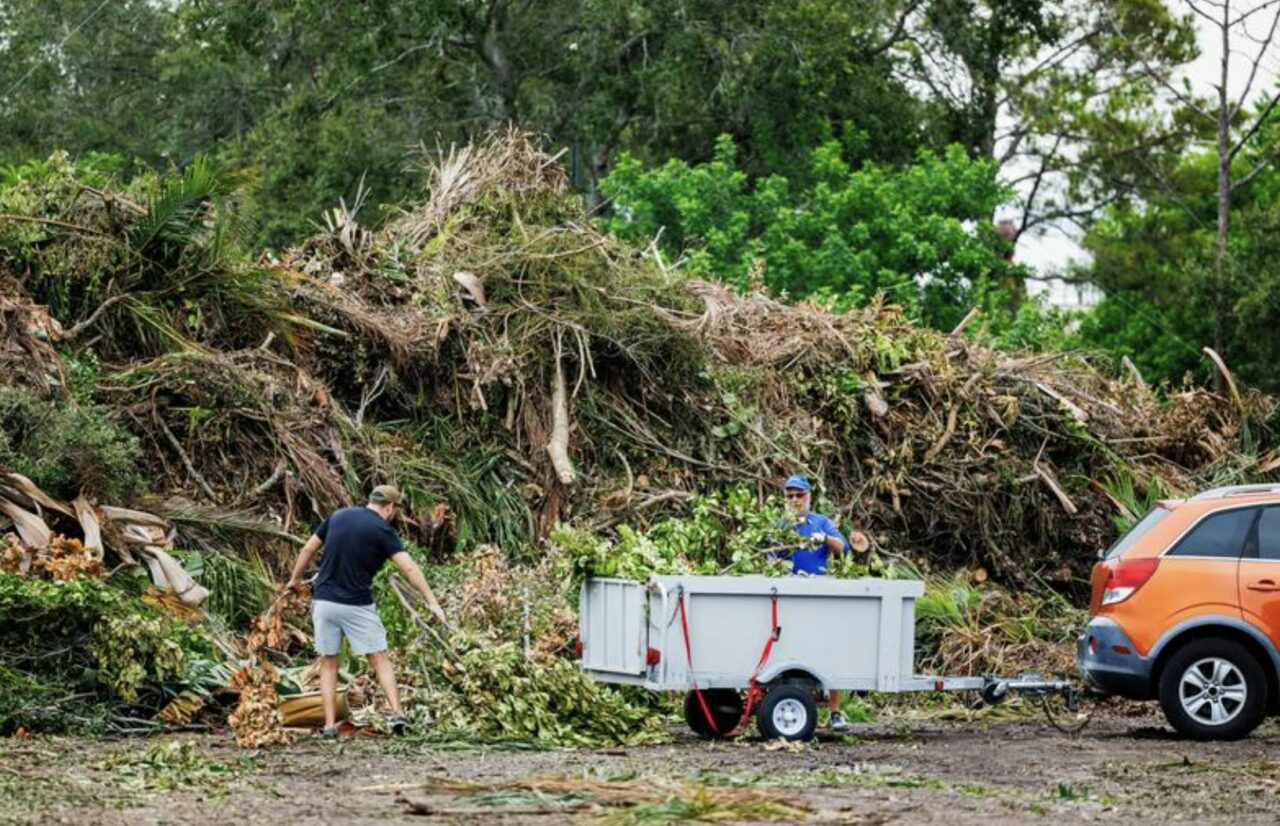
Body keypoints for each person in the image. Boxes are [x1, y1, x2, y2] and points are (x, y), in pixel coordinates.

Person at [285, 484, 447, 739]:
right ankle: (397, 714)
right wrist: (432, 602)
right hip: (356, 605)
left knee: (329, 664)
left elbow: (307, 549)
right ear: (390, 508)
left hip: (324, 603)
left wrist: (294, 580)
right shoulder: (383, 531)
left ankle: (329, 727)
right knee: (380, 659)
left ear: (371, 501)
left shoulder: (337, 516)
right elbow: (410, 569)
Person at [775, 474, 867, 732]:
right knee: (788, 650)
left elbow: (844, 548)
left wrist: (823, 539)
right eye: (790, 496)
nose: (794, 500)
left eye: (799, 495)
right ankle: (787, 703)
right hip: (789, 596)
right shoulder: (781, 525)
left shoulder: (821, 522)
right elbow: (769, 554)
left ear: (808, 496)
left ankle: (835, 712)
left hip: (820, 597)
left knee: (830, 651)